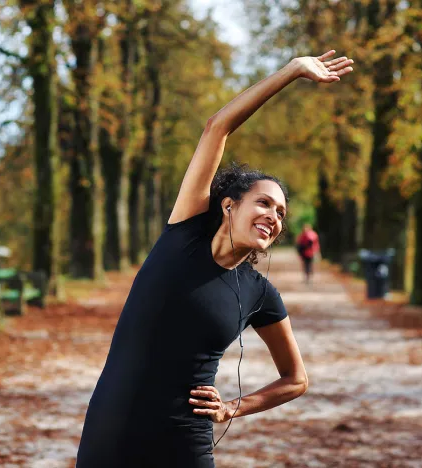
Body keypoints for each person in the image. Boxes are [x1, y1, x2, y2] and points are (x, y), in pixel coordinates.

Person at [76, 51, 354, 467]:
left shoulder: (259, 293)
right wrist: (292, 71)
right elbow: (217, 126)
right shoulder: (184, 232)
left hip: (186, 441)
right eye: (264, 203)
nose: (274, 217)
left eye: (281, 213)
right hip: (112, 428)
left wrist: (234, 408)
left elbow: (296, 380)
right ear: (228, 205)